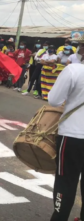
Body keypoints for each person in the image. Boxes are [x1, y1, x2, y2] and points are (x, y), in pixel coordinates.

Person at [48, 63, 84, 221]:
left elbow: (54, 101)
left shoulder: (74, 70)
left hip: (73, 135)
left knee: (66, 181)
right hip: (74, 134)